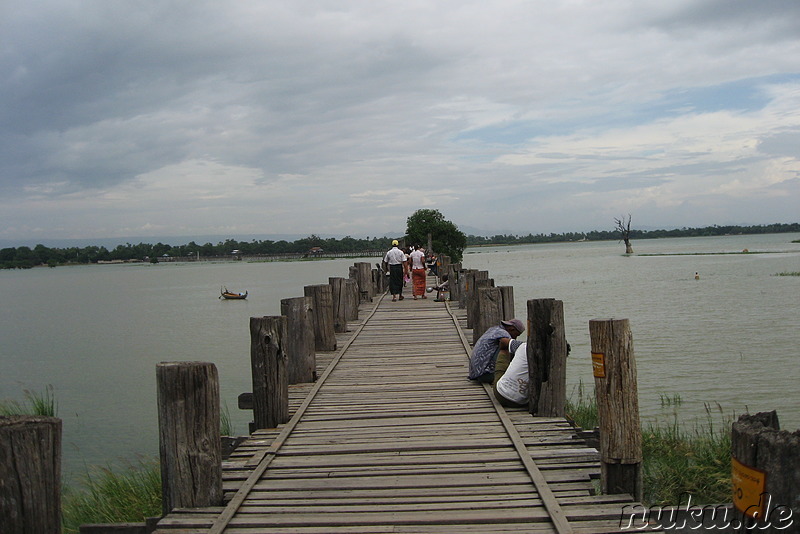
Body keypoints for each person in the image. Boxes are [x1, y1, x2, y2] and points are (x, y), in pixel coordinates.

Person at [468, 318, 525, 383]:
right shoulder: (503, 334)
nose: (515, 338)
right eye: (516, 335)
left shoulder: (493, 329)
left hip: (475, 373)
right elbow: (514, 346)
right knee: (506, 347)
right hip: (484, 375)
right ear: (511, 329)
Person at [493, 341, 529, 408]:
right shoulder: (550, 357)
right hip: (520, 402)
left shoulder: (523, 346)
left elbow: (503, 342)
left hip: (500, 393)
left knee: (504, 350)